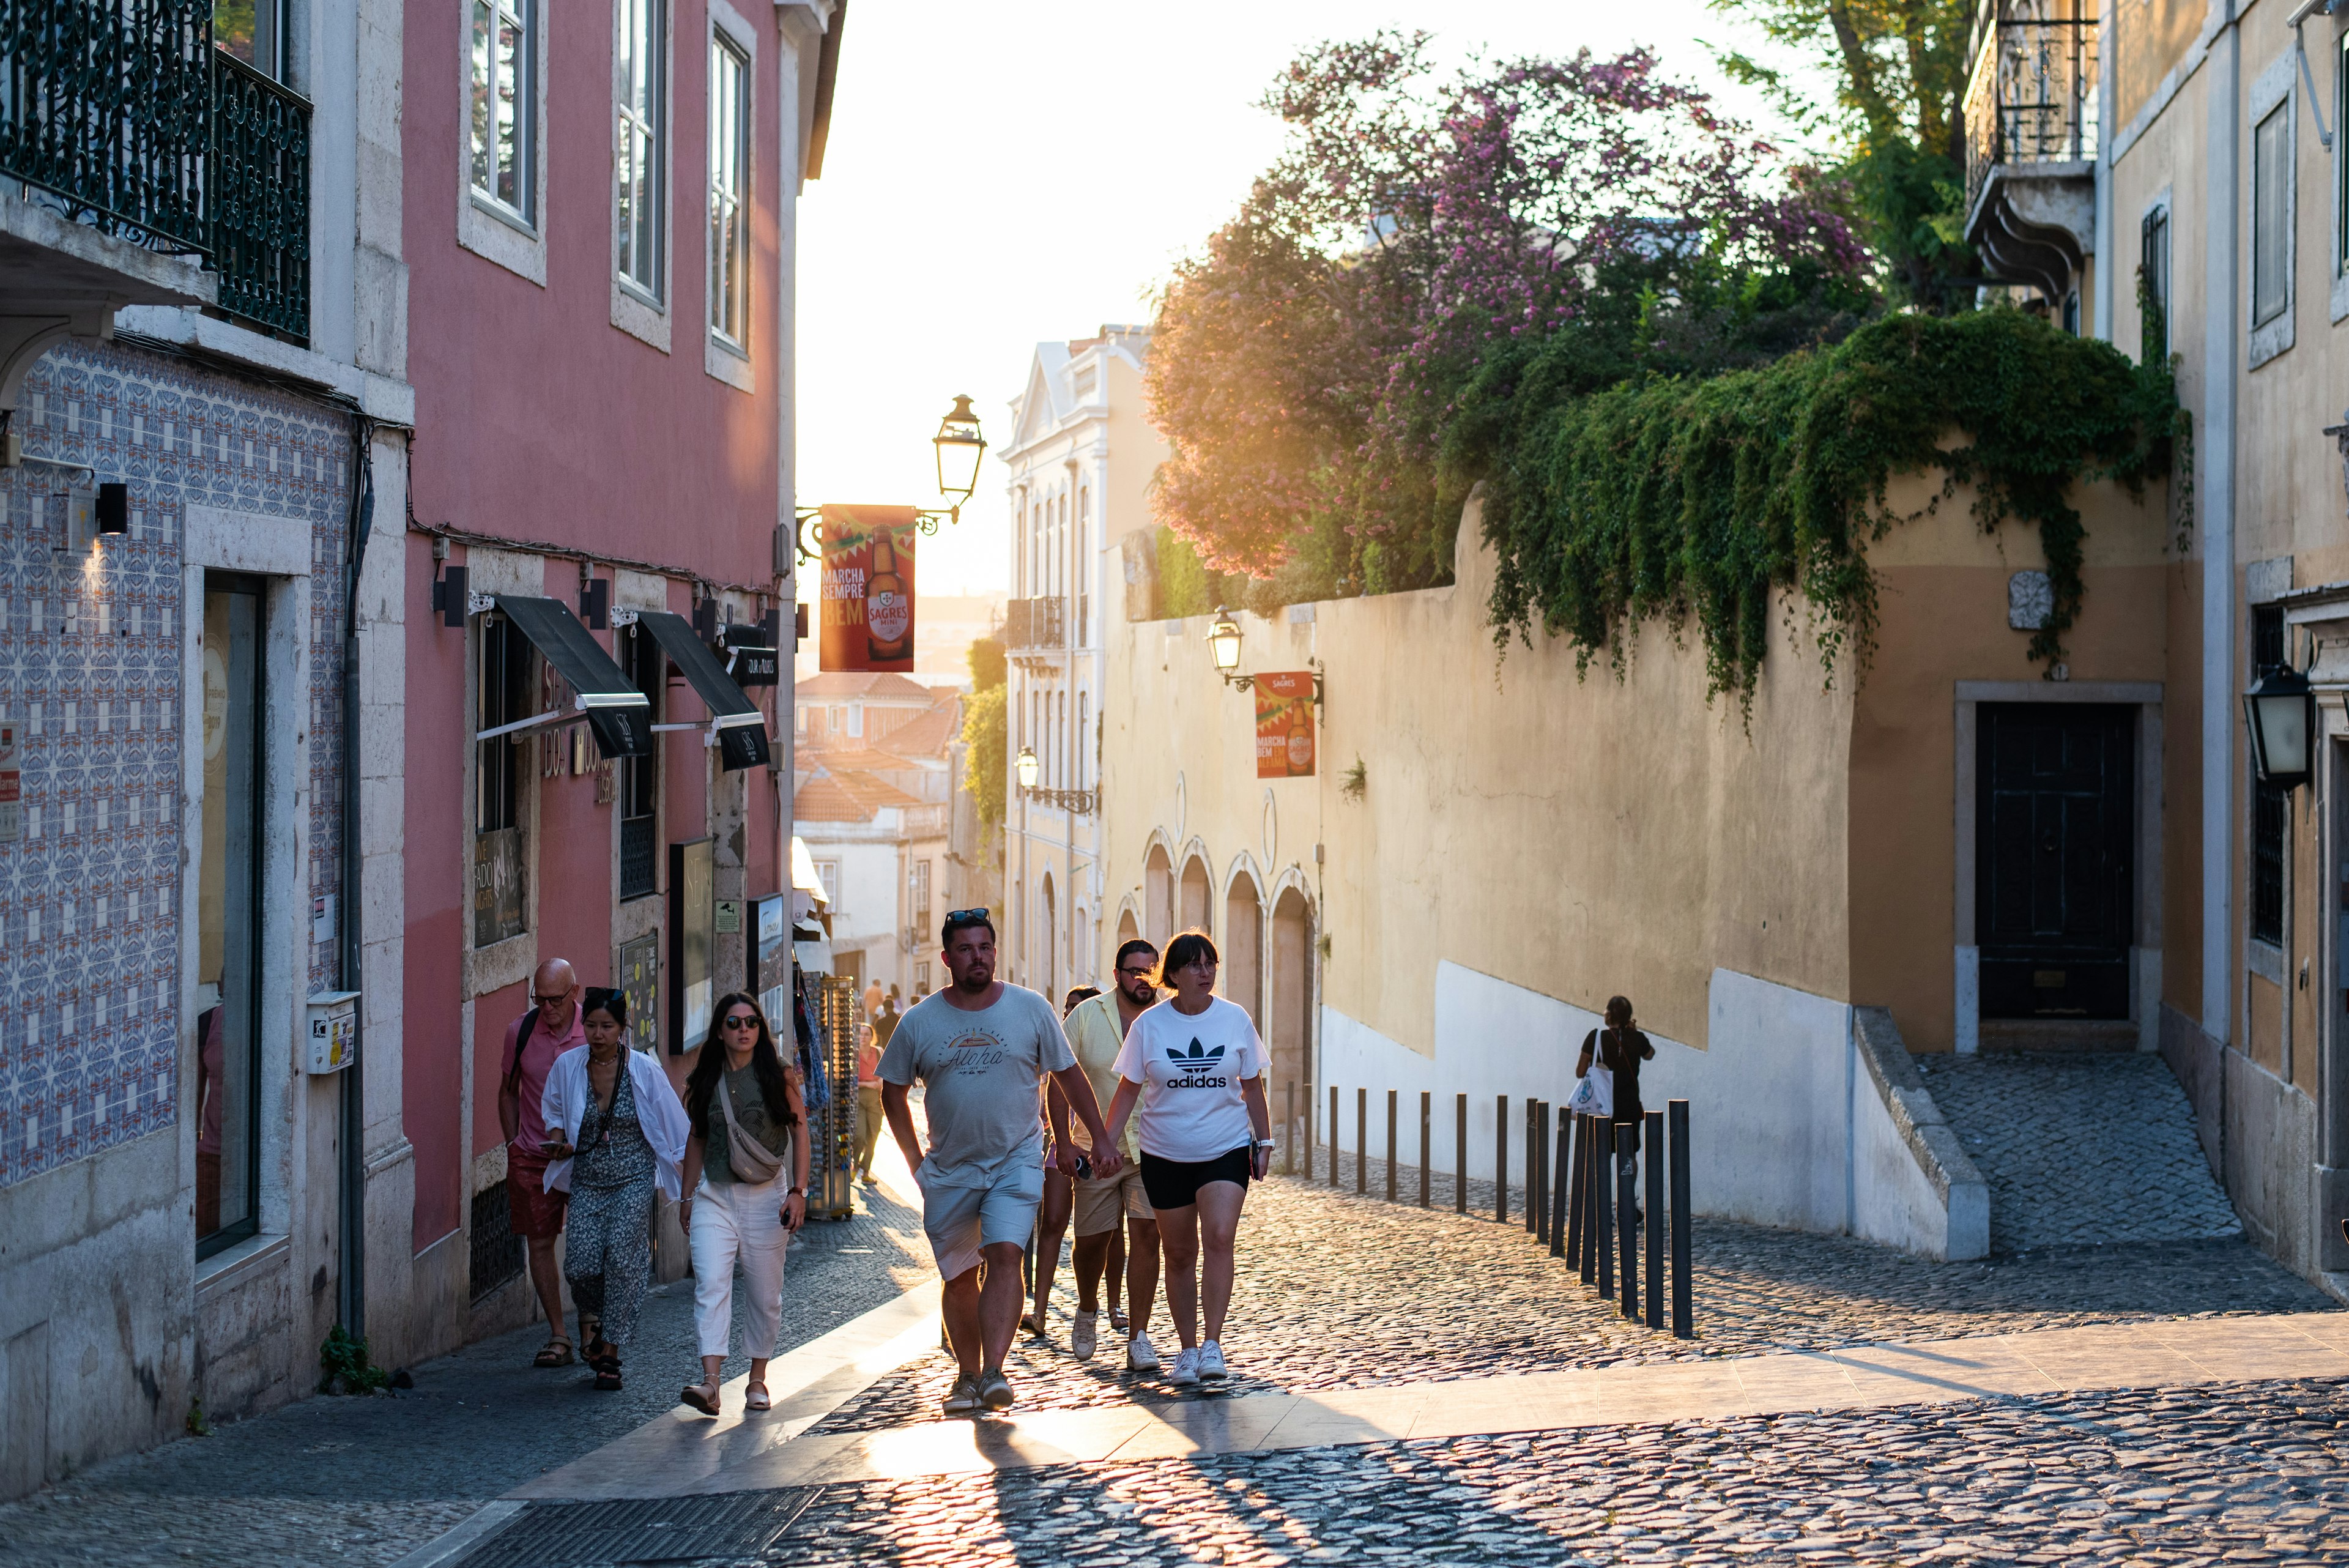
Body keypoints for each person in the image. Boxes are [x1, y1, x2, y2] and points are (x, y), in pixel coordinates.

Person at [880, 909, 1124, 1416]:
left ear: (995, 951)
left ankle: (994, 1369)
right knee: (959, 1275)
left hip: (1015, 1159)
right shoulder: (920, 1021)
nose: (978, 957)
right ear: (947, 958)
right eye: (966, 949)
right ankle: (966, 1375)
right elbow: (892, 1093)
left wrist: (1099, 1137)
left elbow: (1069, 1076)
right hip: (948, 1168)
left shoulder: (1031, 1009)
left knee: (1008, 1253)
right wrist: (915, 1163)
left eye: (985, 947)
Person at [1104, 932, 1273, 1389]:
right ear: (1173, 975)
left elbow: (1252, 1085)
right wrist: (1105, 1143)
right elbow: (1128, 1090)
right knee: (1179, 1253)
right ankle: (1188, 1348)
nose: (1205, 972)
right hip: (1165, 1152)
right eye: (1195, 965)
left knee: (1219, 1236)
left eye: (1210, 963)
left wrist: (1266, 1140)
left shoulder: (1235, 1019)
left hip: (1226, 1147)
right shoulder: (1150, 1025)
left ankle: (1214, 1343)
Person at [539, 989, 689, 1391]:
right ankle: (599, 1317)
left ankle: (610, 1354)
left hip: (633, 1177)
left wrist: (688, 1180)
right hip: (587, 1177)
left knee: (624, 1259)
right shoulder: (567, 1066)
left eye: (607, 1026)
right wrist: (558, 1139)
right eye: (590, 1025)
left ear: (623, 1028)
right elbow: (553, 1110)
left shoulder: (643, 1070)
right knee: (580, 1265)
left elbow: (672, 1122)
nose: (598, 1033)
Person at [677, 993, 809, 1416]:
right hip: (715, 1195)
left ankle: (757, 1378)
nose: (743, 1029)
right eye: (734, 1023)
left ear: (760, 1028)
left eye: (751, 1021)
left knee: (764, 1294)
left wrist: (799, 1192)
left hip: (768, 1195)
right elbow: (697, 1137)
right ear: (720, 1030)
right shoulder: (705, 1078)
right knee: (711, 1283)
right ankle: (712, 1383)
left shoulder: (777, 1075)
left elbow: (801, 1132)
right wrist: (686, 1194)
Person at [1058, 942, 1164, 1369]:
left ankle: (1139, 1335)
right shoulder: (1086, 1015)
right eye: (1135, 970)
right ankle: (1087, 1309)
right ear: (1117, 973)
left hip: (1154, 1149)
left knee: (1147, 1239)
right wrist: (1063, 1142)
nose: (1143, 978)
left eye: (1150, 971)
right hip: (1096, 1148)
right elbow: (1059, 1079)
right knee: (1091, 1244)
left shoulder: (1167, 1019)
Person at [499, 958, 587, 1369]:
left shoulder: (597, 1030)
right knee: (539, 1243)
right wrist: (512, 1141)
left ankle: (590, 1326)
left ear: (575, 992)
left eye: (556, 999)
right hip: (534, 1155)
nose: (548, 1008)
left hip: (587, 1157)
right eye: (540, 999)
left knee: (591, 1245)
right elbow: (508, 1089)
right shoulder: (520, 1031)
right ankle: (559, 1333)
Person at [1024, 986, 1102, 1343]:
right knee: (1052, 1222)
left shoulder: (1100, 1049)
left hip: (1096, 1148)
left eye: (1079, 1007)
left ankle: (1107, 1303)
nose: (1071, 1013)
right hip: (1061, 1145)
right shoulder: (1052, 1043)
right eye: (1068, 1007)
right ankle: (1039, 1310)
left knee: (1102, 1235)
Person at [1575, 995, 1656, 1170]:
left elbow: (1580, 1072)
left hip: (1602, 1106)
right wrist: (1633, 1034)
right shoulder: (1638, 1038)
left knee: (1600, 1154)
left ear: (1609, 1015)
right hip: (1630, 1106)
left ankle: (1599, 1195)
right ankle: (1626, 1196)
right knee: (1628, 1156)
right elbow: (1650, 1054)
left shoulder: (1596, 1038)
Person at [853, 999, 891, 1184]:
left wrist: (880, 1081)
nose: (863, 1038)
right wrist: (869, 1084)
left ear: (872, 1037)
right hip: (860, 1099)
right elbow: (851, 1081)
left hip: (876, 1100)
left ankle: (866, 1171)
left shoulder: (878, 1052)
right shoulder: (853, 1054)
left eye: (867, 1034)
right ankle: (855, 1165)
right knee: (860, 1135)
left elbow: (885, 1073)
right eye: (860, 1034)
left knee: (873, 1137)